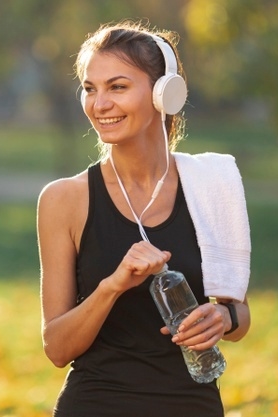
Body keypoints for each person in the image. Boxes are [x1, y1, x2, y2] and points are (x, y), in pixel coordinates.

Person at [36, 21, 252, 417]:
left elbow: (240, 314)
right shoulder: (63, 200)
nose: (99, 105)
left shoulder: (210, 186)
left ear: (164, 94)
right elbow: (56, 348)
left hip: (193, 405)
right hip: (95, 403)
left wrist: (222, 316)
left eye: (117, 87)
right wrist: (112, 287)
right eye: (89, 88)